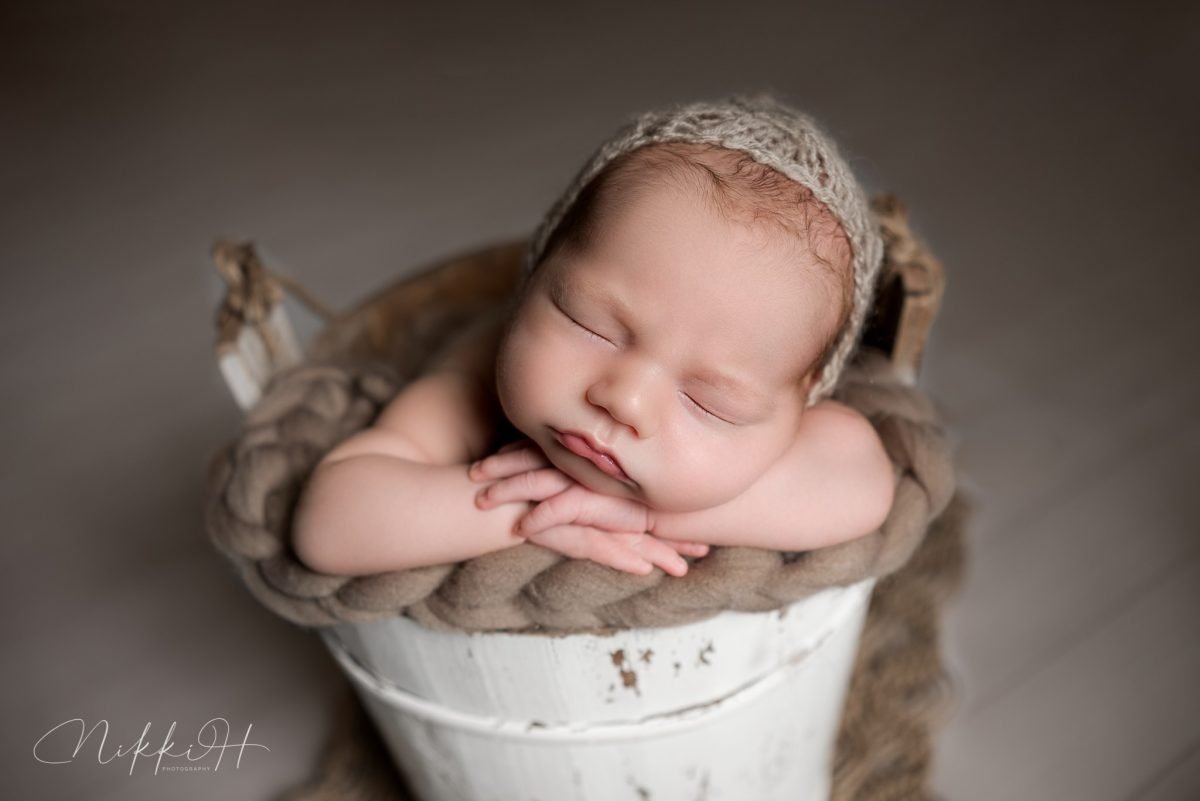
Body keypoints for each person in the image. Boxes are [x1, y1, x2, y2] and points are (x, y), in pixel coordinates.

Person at [293, 95, 896, 578]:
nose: (624, 400)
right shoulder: (477, 372)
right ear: (535, 273)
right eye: (592, 325)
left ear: (805, 397)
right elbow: (330, 520)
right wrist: (528, 510)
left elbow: (861, 482)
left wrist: (643, 513)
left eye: (710, 402)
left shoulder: (800, 431)